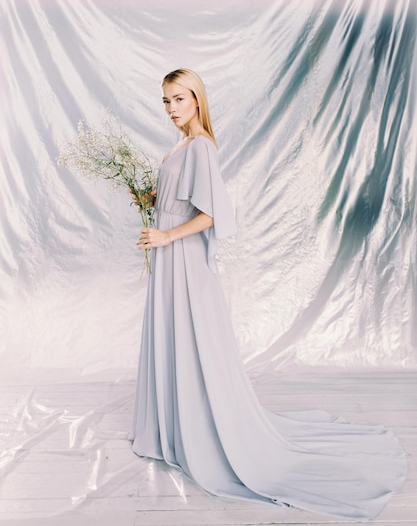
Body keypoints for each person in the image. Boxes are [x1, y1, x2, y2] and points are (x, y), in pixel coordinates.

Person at [129, 68, 406, 521]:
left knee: (193, 340)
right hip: (170, 261)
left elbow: (215, 213)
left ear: (197, 100)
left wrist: (167, 235)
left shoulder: (200, 146)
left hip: (184, 260)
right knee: (172, 336)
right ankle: (171, 428)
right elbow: (182, 197)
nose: (172, 108)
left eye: (179, 99)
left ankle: (200, 433)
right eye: (165, 100)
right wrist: (154, 197)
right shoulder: (181, 145)